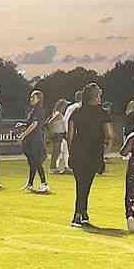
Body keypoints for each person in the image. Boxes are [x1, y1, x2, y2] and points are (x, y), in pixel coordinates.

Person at [67, 82, 111, 227]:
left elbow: (70, 135)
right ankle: (78, 214)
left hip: (78, 152)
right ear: (97, 96)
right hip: (94, 152)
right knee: (86, 184)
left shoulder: (76, 112)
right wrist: (106, 146)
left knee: (81, 184)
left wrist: (71, 152)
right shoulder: (103, 113)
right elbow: (109, 134)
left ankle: (82, 212)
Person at [18, 89, 49, 193]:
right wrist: (22, 125)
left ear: (39, 99)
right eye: (31, 97)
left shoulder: (39, 109)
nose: (31, 99)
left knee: (37, 161)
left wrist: (23, 134)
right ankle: (30, 184)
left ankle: (44, 184)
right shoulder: (33, 110)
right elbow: (31, 123)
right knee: (32, 162)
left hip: (35, 140)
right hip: (31, 140)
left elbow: (35, 124)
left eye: (33, 97)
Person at [48, 97, 69, 173]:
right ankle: (52, 168)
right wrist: (52, 132)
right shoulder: (58, 114)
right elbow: (50, 123)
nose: (65, 108)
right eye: (64, 106)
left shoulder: (58, 113)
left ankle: (54, 167)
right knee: (56, 151)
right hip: (57, 134)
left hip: (59, 134)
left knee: (58, 151)